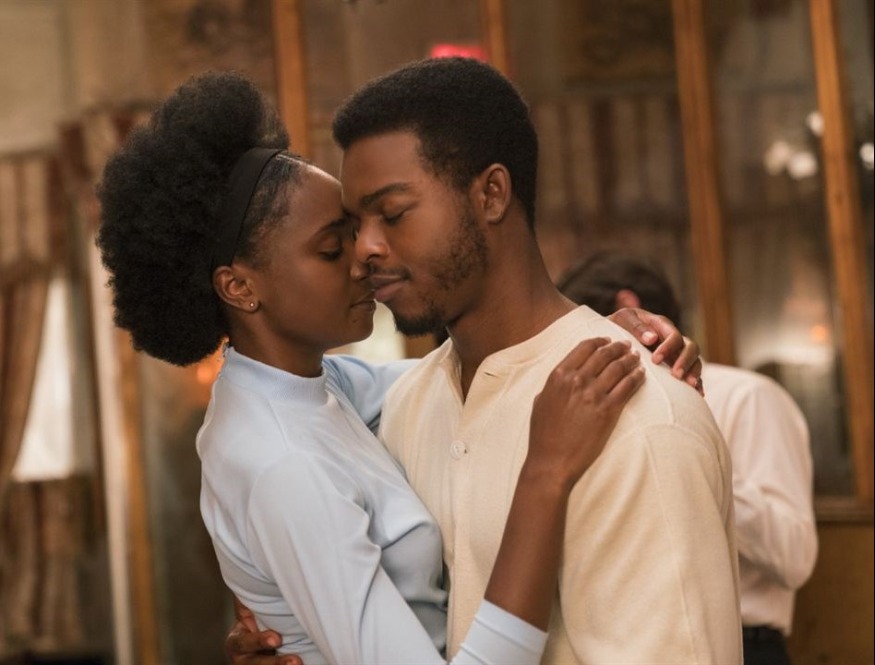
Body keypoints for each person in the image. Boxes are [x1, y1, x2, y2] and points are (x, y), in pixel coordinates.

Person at [95, 71, 699, 665]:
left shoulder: (320, 389)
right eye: (332, 248)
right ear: (239, 287)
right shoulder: (282, 461)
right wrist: (544, 474)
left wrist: (587, 329)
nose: (363, 257)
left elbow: (466, 375)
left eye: (368, 226)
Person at [557, 249, 818, 665]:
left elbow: (794, 557)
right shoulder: (597, 414)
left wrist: (693, 457)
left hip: (746, 644)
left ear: (628, 308)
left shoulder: (747, 397)